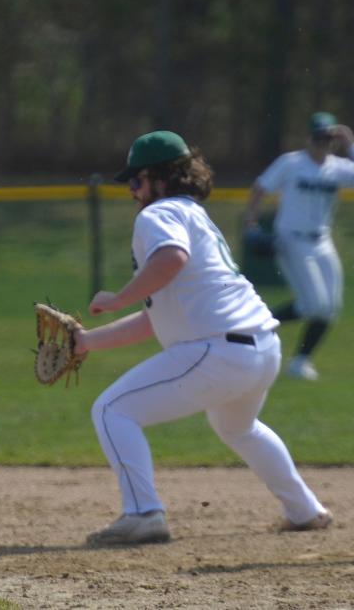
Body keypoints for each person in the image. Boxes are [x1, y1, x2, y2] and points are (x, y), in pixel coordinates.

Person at [74, 130, 332, 546]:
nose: (133, 192)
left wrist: (119, 297)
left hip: (218, 350)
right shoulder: (192, 213)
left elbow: (171, 260)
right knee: (239, 426)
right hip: (262, 346)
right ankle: (305, 510)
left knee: (111, 410)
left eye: (136, 181)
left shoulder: (157, 215)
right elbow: (157, 318)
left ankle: (143, 513)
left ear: (161, 177)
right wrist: (87, 342)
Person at [244, 112, 354, 380]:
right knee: (315, 305)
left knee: (331, 307)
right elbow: (260, 187)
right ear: (308, 138)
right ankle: (255, 329)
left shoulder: (337, 166)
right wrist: (251, 221)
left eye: (328, 137)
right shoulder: (291, 163)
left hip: (322, 240)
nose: (322, 143)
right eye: (318, 137)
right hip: (291, 239)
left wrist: (352, 142)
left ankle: (299, 361)